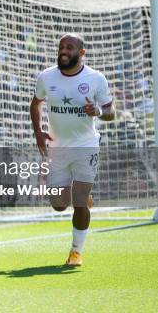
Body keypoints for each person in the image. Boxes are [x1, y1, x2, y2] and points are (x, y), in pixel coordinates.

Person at [30, 34, 114, 266]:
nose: (63, 51)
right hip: (57, 147)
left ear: (82, 53)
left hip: (86, 147)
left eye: (69, 47)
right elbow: (35, 103)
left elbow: (110, 112)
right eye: (61, 47)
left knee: (78, 201)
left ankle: (76, 252)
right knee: (59, 205)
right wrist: (38, 131)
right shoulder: (46, 77)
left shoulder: (96, 78)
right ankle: (84, 199)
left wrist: (97, 111)